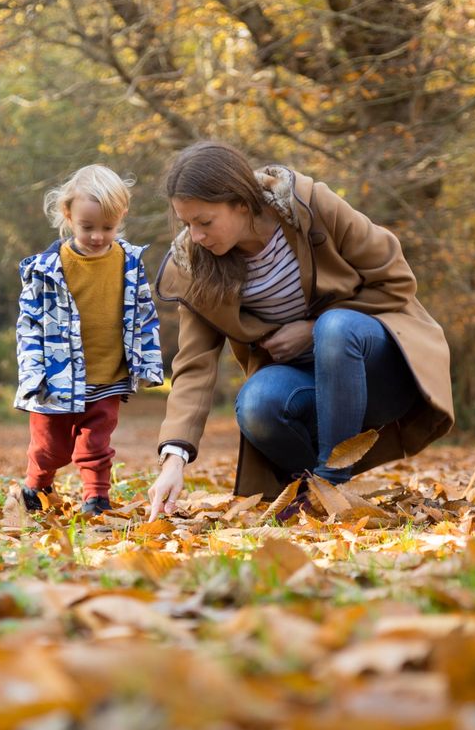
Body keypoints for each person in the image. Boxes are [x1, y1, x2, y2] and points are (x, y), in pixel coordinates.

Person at [146, 141, 453, 521]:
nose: (196, 236)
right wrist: (173, 459)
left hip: (378, 373)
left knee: (335, 328)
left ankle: (331, 482)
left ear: (242, 203)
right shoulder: (195, 267)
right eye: (187, 223)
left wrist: (312, 330)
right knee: (257, 403)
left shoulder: (310, 207)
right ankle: (320, 491)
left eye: (205, 222)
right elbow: (194, 366)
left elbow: (396, 281)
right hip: (307, 390)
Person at [14, 164, 163, 516]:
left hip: (107, 376)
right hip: (56, 379)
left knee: (96, 442)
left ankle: (96, 497)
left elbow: (144, 313)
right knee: (52, 447)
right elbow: (29, 324)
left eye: (107, 227)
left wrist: (149, 361)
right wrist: (32, 373)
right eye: (87, 227)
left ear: (121, 217)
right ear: (68, 215)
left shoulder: (129, 262)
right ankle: (37, 483)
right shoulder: (46, 268)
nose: (98, 236)